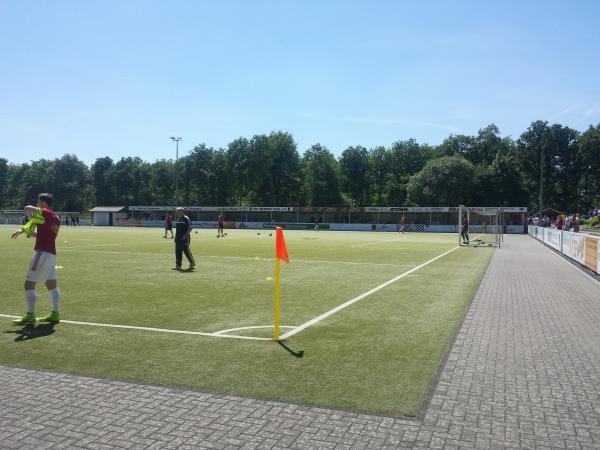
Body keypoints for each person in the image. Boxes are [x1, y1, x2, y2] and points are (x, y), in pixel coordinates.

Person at [10, 193, 62, 325]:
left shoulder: (44, 212)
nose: (37, 204)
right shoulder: (56, 217)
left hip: (41, 253)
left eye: (39, 201)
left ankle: (30, 315)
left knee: (29, 284)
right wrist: (27, 230)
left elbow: (27, 208)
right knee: (51, 285)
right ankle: (55, 313)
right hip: (51, 255)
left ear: (43, 202)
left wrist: (30, 217)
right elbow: (41, 235)